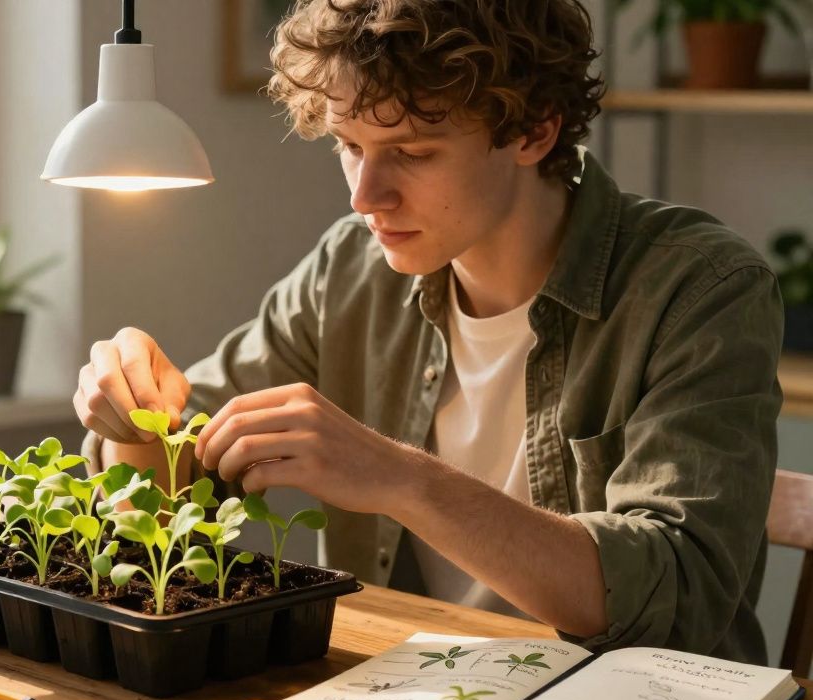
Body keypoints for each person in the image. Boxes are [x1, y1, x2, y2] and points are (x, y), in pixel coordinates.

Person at [75, 0, 782, 664]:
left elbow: (677, 594)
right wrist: (130, 420)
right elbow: (177, 483)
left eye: (412, 152)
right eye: (350, 145)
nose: (363, 196)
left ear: (535, 128)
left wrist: (396, 477)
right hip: (402, 697)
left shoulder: (700, 286)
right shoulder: (348, 269)